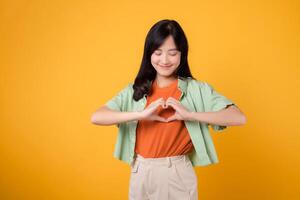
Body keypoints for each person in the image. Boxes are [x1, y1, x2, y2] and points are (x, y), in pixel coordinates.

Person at [91, 19, 246, 200]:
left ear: (182, 54)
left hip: (174, 173)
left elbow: (238, 117)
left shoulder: (196, 89)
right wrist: (141, 114)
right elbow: (97, 116)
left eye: (172, 53)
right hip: (139, 171)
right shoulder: (136, 90)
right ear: (149, 54)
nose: (164, 60)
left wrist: (190, 115)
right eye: (158, 53)